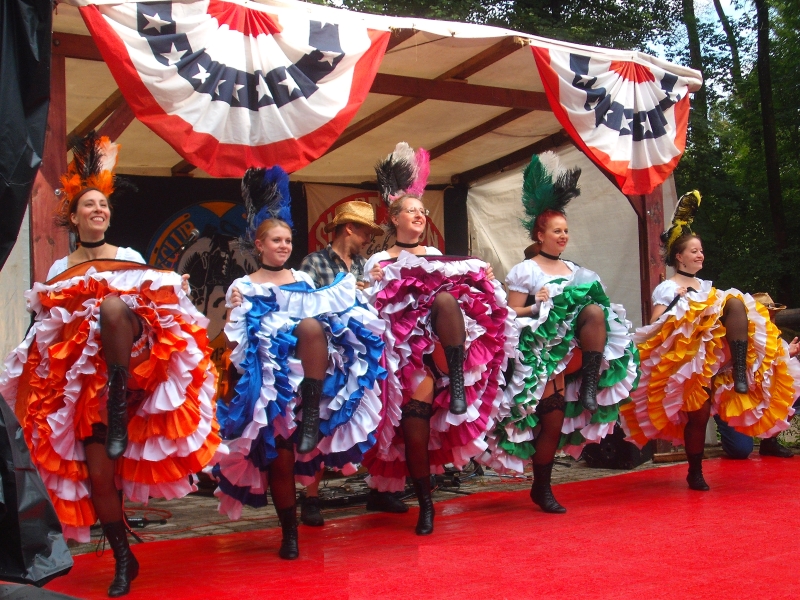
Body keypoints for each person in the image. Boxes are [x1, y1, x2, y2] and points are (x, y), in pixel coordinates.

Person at [0, 133, 220, 597]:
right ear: (74, 216)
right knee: (100, 477)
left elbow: (155, 313)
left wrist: (170, 285)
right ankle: (124, 558)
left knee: (114, 309)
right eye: (89, 205)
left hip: (137, 370)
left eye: (104, 205)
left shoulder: (130, 259)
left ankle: (119, 403)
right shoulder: (60, 268)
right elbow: (48, 333)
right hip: (87, 391)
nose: (98, 210)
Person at [213, 167, 385, 559]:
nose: (284, 246)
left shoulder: (305, 282)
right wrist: (234, 314)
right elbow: (232, 341)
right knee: (281, 461)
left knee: (310, 324)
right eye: (276, 240)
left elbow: (329, 323)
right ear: (259, 244)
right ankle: (289, 533)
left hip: (307, 378)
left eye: (288, 240)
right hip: (271, 384)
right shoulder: (243, 286)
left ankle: (312, 413)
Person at [360, 143, 510, 535]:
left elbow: (465, 297)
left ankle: (458, 383)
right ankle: (426, 505)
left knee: (445, 298)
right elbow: (368, 312)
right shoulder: (377, 263)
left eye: (423, 211)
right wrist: (367, 286)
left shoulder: (440, 255)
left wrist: (486, 278)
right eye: (412, 211)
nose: (420, 216)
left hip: (443, 350)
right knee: (416, 428)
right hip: (405, 356)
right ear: (393, 219)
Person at [482, 152, 639, 513]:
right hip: (540, 353)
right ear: (540, 235)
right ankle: (542, 488)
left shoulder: (575, 270)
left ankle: (589, 386)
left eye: (566, 230)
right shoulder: (526, 270)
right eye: (557, 231)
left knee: (597, 310)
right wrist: (537, 305)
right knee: (550, 422)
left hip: (574, 353)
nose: (564, 236)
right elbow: (509, 312)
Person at [620, 191, 799, 490]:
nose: (700, 255)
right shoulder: (669, 287)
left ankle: (741, 373)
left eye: (701, 250)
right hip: (689, 362)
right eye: (694, 251)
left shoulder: (707, 287)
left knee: (737, 302)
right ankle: (694, 470)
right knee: (698, 416)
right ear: (679, 256)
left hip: (719, 360)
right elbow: (654, 324)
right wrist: (678, 303)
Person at [297, 201, 407, 525]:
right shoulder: (314, 262)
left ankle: (380, 487)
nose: (367, 239)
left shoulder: (363, 265)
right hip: (327, 357)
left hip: (360, 358)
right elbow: (304, 306)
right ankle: (311, 498)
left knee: (368, 417)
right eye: (364, 232)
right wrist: (348, 289)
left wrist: (370, 287)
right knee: (318, 419)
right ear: (349, 228)